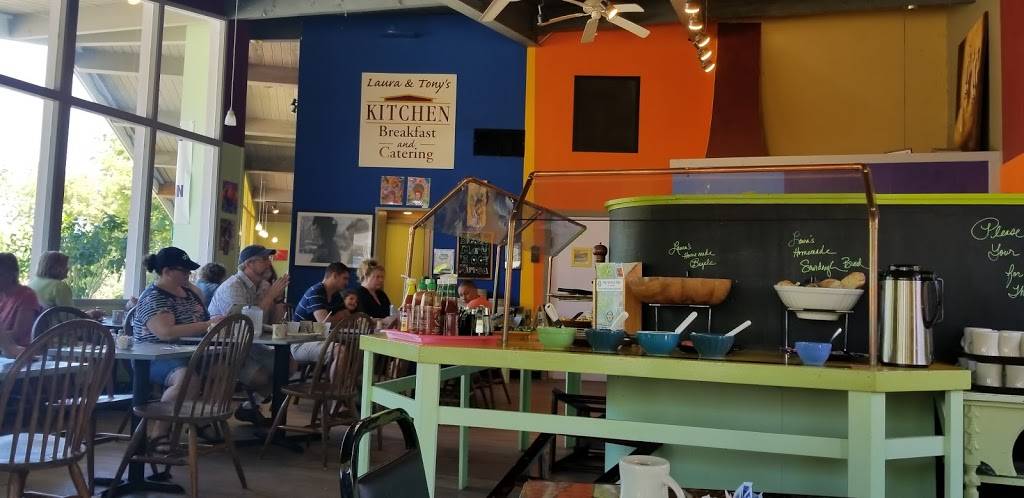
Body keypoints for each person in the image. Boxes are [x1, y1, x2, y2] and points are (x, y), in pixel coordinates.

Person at [132, 247, 221, 440]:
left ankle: (198, 419)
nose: (189, 274)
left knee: (224, 370)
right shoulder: (154, 297)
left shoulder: (190, 293)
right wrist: (207, 325)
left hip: (191, 353)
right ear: (166, 271)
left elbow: (202, 319)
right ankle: (160, 433)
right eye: (184, 270)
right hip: (154, 357)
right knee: (187, 378)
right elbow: (166, 332)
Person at [208, 244, 289, 425]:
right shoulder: (233, 286)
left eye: (269, 259)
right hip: (226, 348)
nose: (269, 263)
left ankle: (249, 408)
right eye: (264, 259)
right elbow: (245, 323)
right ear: (248, 264)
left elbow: (274, 323)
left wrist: (278, 300)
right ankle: (249, 410)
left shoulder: (264, 286)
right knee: (261, 377)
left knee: (288, 365)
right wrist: (270, 296)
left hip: (251, 345)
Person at [291, 262, 350, 362]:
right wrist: (339, 316)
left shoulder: (336, 295)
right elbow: (325, 323)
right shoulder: (316, 292)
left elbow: (348, 318)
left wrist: (337, 318)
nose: (347, 283)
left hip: (320, 339)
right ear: (334, 276)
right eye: (345, 278)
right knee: (340, 351)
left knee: (355, 349)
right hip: (300, 342)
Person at [0, 253, 38, 356]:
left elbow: (19, 333)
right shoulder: (2, 294)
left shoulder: (27, 296)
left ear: (13, 274)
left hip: (20, 354)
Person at [354, 259, 393, 324]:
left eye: (382, 277)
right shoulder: (358, 294)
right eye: (377, 277)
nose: (381, 280)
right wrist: (382, 321)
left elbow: (390, 313)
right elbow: (361, 319)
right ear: (366, 276)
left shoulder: (381, 294)